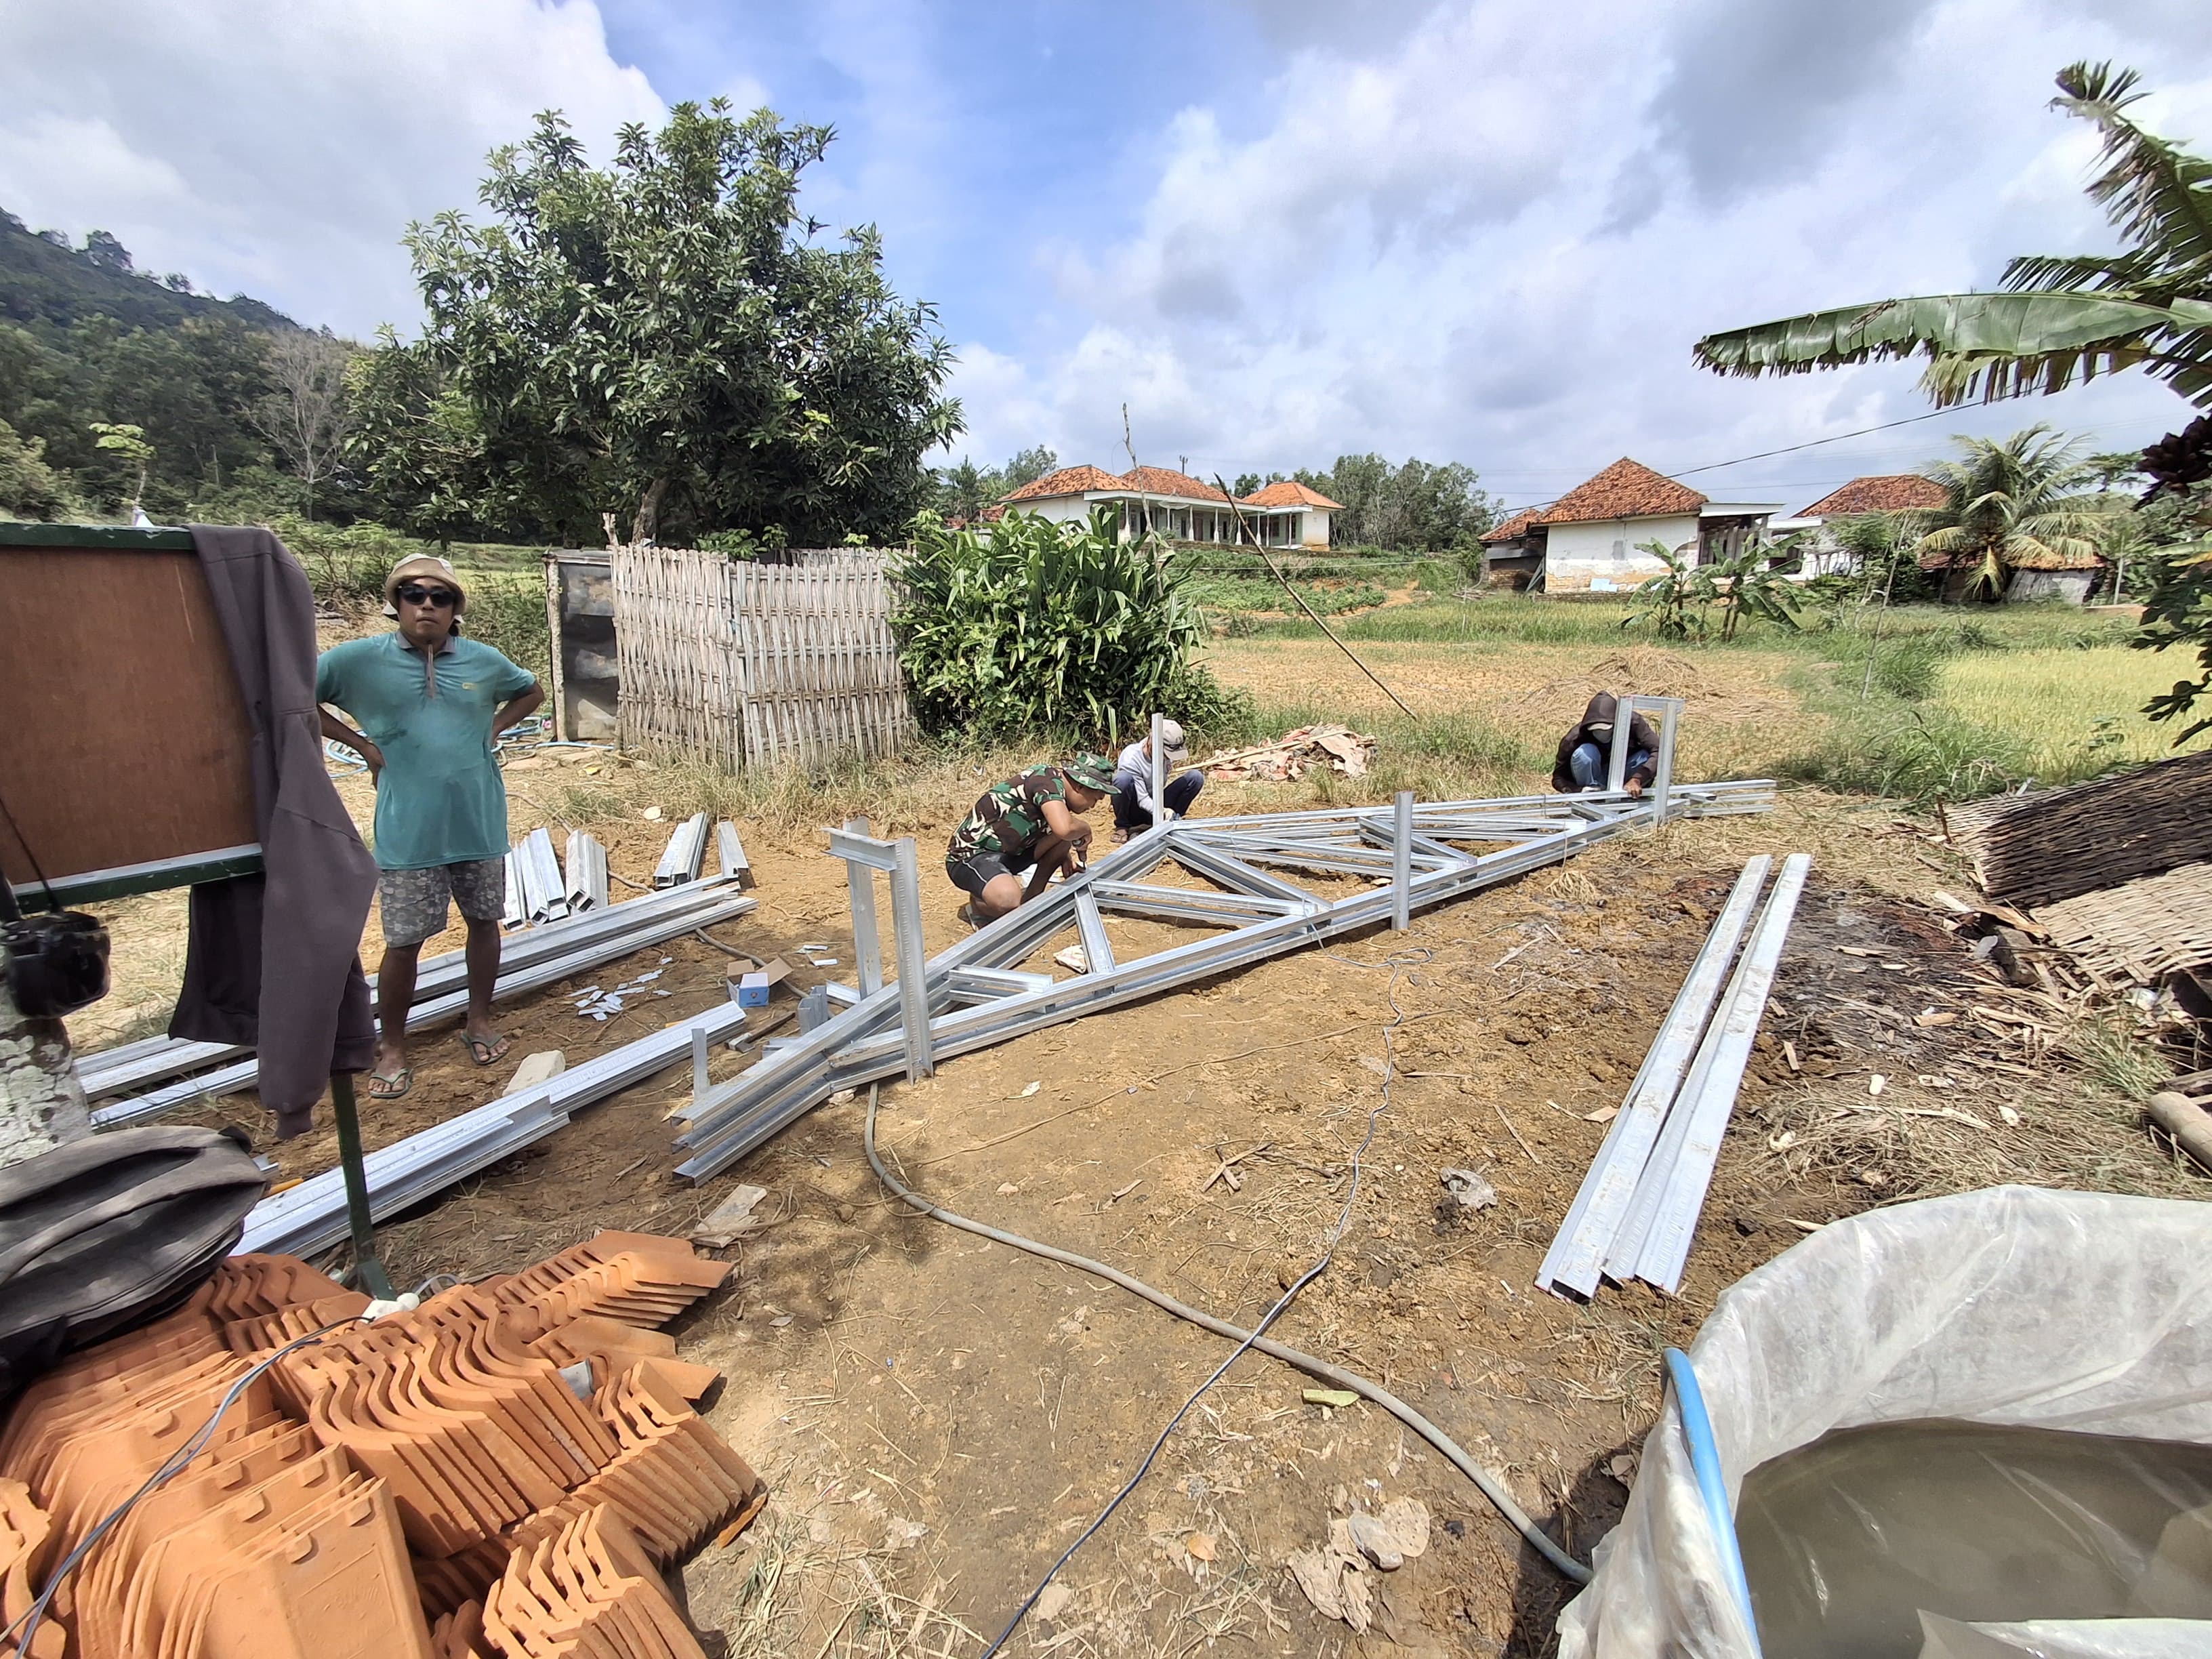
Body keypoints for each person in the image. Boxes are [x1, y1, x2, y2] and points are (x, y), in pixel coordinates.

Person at [315, 555, 545, 1099]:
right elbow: (299, 698)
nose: (426, 605)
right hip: (408, 830)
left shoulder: (483, 662)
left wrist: (493, 728)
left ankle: (479, 1020)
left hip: (478, 820)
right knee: (403, 942)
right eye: (415, 595)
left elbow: (531, 690)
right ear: (396, 603)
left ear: (453, 609)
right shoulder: (357, 661)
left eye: (440, 598)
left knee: (485, 924)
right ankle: (392, 1044)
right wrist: (363, 746)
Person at [945, 753, 1118, 925]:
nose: (1093, 806)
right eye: (1095, 799)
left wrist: (1064, 857)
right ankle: (980, 905)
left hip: (1007, 853)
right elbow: (1064, 828)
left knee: (1064, 838)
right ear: (1081, 787)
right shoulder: (1046, 781)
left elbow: (1056, 831)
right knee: (1008, 899)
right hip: (970, 857)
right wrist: (1085, 828)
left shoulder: (1058, 792)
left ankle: (1031, 901)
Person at [1110, 719, 1204, 842]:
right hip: (1136, 808)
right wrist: (1163, 811)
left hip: (1157, 802)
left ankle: (1173, 821)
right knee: (1122, 779)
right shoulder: (1132, 757)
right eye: (1166, 754)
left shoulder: (1165, 753)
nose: (1167, 758)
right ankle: (1123, 826)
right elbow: (1142, 800)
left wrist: (1166, 811)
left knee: (1195, 777)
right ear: (1153, 743)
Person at [1552, 692, 1658, 796]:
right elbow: (1559, 777)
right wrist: (1578, 790)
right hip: (1594, 777)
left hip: (1625, 773)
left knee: (1645, 756)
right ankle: (1593, 795)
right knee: (1585, 752)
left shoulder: (1634, 723)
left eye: (1606, 729)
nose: (1601, 733)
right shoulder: (1574, 738)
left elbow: (1659, 750)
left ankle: (1628, 793)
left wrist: (1638, 778)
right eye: (1596, 730)